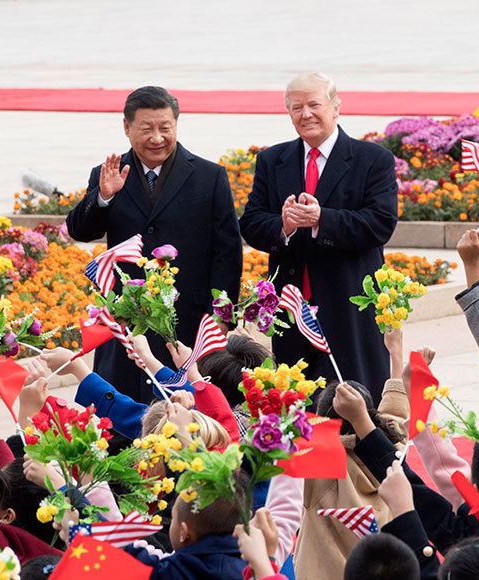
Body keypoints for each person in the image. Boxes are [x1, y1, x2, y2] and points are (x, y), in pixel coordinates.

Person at [66, 85, 243, 403]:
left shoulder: (209, 176)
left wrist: (220, 317)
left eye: (165, 128)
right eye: (147, 129)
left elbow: (227, 252)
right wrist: (103, 197)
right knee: (120, 411)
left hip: (189, 320)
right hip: (125, 318)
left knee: (191, 412)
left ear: (177, 124)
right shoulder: (107, 173)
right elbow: (79, 230)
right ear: (126, 127)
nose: (157, 138)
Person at [239, 72, 398, 404]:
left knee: (357, 404)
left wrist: (321, 220)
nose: (306, 114)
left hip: (349, 308)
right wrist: (282, 225)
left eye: (314, 105)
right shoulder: (272, 161)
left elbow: (380, 224)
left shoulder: (372, 160)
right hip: (292, 312)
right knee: (299, 409)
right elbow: (251, 223)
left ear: (336, 108)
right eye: (297, 107)